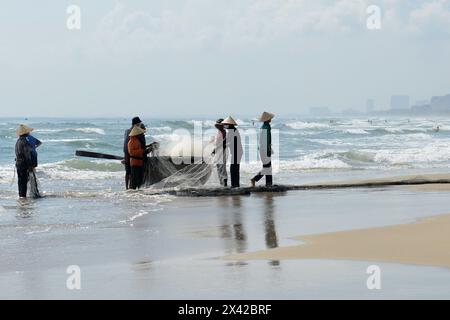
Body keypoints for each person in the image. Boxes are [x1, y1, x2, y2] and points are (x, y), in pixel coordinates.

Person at [15, 124, 39, 198]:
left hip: (18, 164)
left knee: (20, 181)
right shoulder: (25, 142)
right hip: (24, 164)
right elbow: (27, 155)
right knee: (25, 181)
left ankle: (21, 197)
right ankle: (24, 197)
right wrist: (30, 165)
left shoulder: (18, 141)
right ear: (27, 133)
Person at [251, 112, 274, 187]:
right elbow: (267, 140)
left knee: (267, 167)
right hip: (265, 149)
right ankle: (255, 179)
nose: (271, 119)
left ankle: (268, 184)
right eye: (270, 118)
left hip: (262, 149)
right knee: (267, 168)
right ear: (267, 119)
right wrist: (268, 150)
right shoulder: (267, 127)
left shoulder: (263, 126)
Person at [124, 117, 146, 189]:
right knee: (136, 175)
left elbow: (125, 144)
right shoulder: (136, 134)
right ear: (136, 124)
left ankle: (127, 188)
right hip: (134, 157)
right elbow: (142, 146)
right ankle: (134, 188)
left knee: (128, 172)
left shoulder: (127, 131)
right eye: (138, 124)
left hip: (127, 154)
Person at [222, 117, 243, 188]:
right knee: (235, 169)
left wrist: (216, 149)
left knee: (233, 169)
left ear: (230, 124)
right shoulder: (234, 130)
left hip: (237, 152)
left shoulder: (232, 131)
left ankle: (234, 185)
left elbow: (225, 141)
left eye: (226, 124)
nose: (225, 126)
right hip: (237, 152)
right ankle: (235, 185)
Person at [212, 119, 228, 187]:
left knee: (222, 168)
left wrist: (215, 150)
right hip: (218, 151)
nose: (217, 126)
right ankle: (222, 183)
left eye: (218, 125)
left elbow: (223, 143)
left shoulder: (223, 132)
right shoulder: (220, 132)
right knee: (219, 167)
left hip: (221, 151)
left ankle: (224, 184)